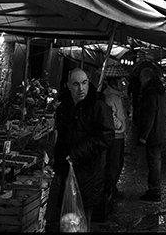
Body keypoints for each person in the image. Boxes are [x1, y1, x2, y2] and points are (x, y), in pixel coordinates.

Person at [43, 68, 114, 232]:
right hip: (62, 171)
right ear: (68, 85)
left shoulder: (98, 107)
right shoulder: (63, 108)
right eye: (76, 84)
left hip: (87, 174)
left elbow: (105, 137)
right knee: (57, 220)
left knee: (79, 222)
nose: (81, 89)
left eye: (84, 83)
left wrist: (76, 154)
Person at [94, 72, 128, 222]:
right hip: (114, 137)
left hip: (118, 136)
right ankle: (107, 196)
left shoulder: (116, 96)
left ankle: (110, 193)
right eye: (121, 81)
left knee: (116, 164)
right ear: (114, 83)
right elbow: (110, 116)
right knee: (113, 165)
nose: (123, 83)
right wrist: (119, 125)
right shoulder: (110, 97)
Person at [136, 66, 166, 201]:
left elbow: (149, 115)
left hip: (155, 131)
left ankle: (155, 191)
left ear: (146, 77)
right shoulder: (160, 90)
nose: (140, 81)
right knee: (156, 160)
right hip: (162, 129)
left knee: (154, 162)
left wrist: (143, 136)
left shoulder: (150, 92)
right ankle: (155, 189)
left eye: (141, 78)